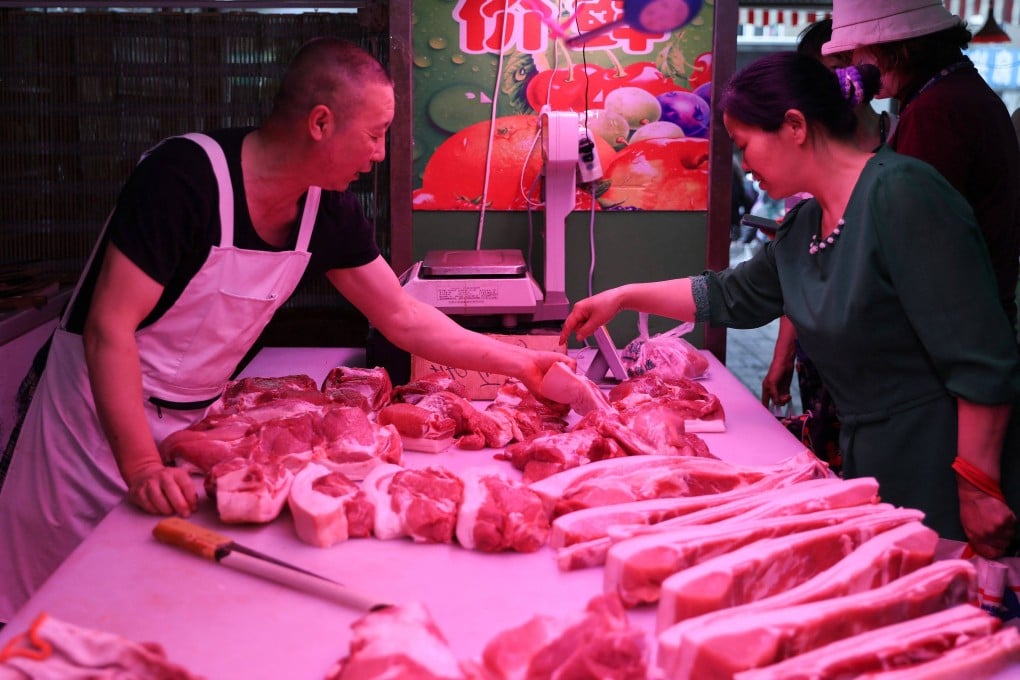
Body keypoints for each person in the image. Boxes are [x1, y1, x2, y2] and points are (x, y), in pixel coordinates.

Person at [0, 37, 573, 621]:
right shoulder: (185, 178)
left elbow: (401, 315)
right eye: (375, 134)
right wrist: (141, 464)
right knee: (52, 609)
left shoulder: (328, 210)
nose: (379, 153)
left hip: (191, 422)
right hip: (91, 420)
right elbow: (109, 329)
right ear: (321, 122)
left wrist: (524, 365)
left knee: (149, 603)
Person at [561, 51, 1020, 560]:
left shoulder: (903, 194)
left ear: (795, 126)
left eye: (744, 145)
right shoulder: (804, 226)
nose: (745, 165)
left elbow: (983, 357)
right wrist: (622, 296)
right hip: (871, 460)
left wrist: (979, 484)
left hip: (944, 461)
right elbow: (728, 294)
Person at [823, 0, 1020, 335]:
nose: (853, 64)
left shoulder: (937, 111)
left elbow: (907, 233)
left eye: (856, 53)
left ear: (891, 48)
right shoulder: (958, 93)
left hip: (955, 330)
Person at [762, 18, 898, 470]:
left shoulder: (903, 166)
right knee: (827, 463)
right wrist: (782, 355)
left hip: (882, 376)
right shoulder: (805, 188)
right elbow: (779, 278)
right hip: (821, 357)